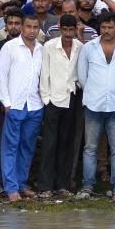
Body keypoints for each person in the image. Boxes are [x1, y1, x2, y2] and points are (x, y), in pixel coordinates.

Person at [76, 12, 115, 202]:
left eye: (110, 27)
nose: (106, 31)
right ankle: (87, 186)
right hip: (93, 104)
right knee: (90, 148)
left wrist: (112, 88)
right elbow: (82, 77)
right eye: (103, 27)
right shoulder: (89, 48)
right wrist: (97, 90)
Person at [0, 15, 44, 201]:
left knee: (27, 146)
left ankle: (22, 183)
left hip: (35, 104)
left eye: (35, 27)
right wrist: (6, 103)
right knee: (10, 147)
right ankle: (11, 187)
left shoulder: (41, 49)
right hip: (14, 104)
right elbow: (1, 75)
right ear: (22, 28)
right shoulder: (10, 47)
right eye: (28, 26)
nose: (32, 30)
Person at [36, 14, 82, 198]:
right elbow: (44, 74)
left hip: (72, 98)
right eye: (65, 30)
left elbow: (82, 72)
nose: (68, 34)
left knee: (67, 143)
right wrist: (46, 99)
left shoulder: (81, 47)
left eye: (71, 30)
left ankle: (63, 185)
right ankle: (45, 186)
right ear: (60, 28)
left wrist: (77, 86)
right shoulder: (49, 46)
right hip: (52, 100)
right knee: (49, 144)